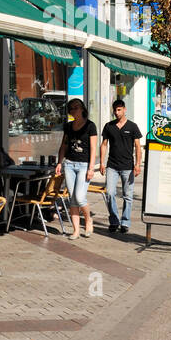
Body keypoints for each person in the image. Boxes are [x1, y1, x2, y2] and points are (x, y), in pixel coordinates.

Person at [55, 99, 99, 238]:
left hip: (84, 165)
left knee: (80, 197)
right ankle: (76, 230)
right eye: (71, 108)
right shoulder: (68, 126)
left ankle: (88, 220)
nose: (74, 110)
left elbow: (93, 148)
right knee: (72, 199)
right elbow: (64, 145)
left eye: (76, 107)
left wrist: (91, 168)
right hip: (69, 164)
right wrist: (59, 162)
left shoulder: (90, 126)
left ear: (82, 109)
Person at [99, 99, 142, 235]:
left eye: (119, 110)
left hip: (128, 166)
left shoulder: (132, 126)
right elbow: (104, 144)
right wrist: (101, 162)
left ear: (124, 109)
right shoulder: (109, 126)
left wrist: (137, 164)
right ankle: (114, 221)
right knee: (110, 193)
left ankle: (125, 222)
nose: (117, 113)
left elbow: (137, 147)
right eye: (115, 110)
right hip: (112, 165)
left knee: (127, 196)